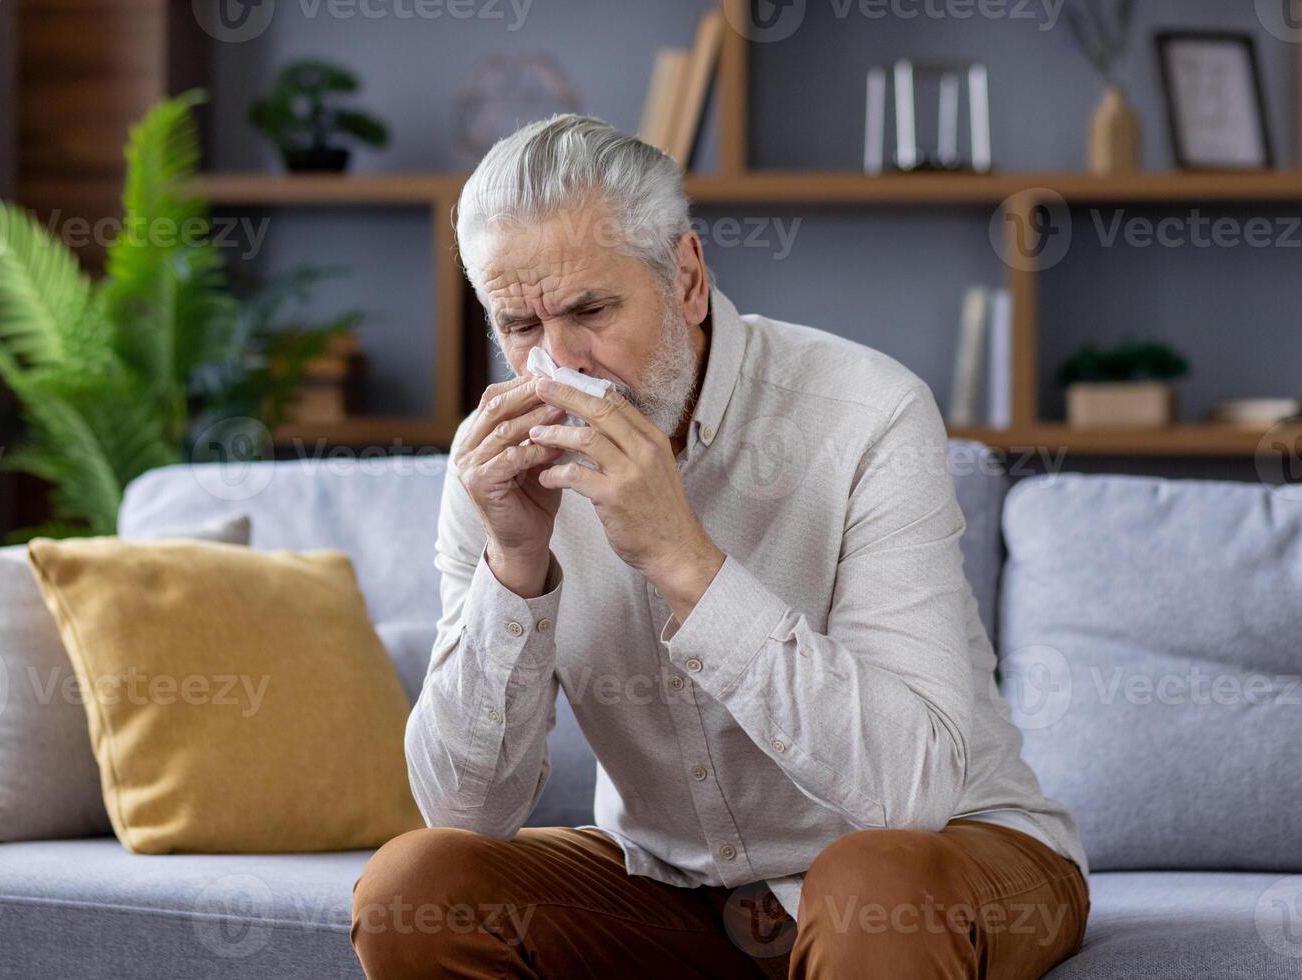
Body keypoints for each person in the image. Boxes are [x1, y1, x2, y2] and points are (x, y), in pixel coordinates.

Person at [351, 114, 1090, 979]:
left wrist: (681, 558)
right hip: (676, 886)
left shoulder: (865, 413)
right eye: (519, 326)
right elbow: (463, 813)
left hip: (946, 857)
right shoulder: (494, 465)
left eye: (591, 310)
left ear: (687, 279)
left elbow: (909, 794)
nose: (557, 366)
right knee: (416, 885)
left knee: (869, 879)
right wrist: (513, 568)